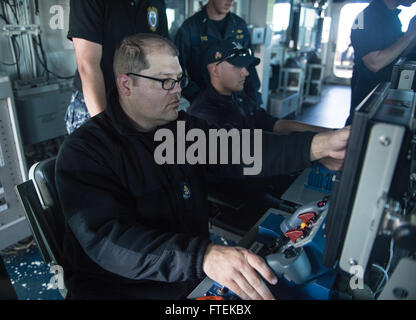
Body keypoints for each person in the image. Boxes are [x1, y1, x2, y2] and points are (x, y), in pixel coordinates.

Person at [55, 33, 350, 300]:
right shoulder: (86, 151)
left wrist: (317, 146)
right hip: (125, 291)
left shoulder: (179, 132)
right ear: (126, 83)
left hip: (188, 279)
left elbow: (241, 149)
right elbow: (111, 242)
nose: (178, 92)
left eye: (180, 80)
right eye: (165, 82)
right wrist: (203, 257)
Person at [188, 39, 332, 201]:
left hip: (260, 175)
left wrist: (330, 134)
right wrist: (316, 147)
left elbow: (277, 125)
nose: (246, 72)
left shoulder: (239, 97)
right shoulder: (204, 113)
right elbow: (245, 154)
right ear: (215, 70)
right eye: (238, 66)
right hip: (235, 194)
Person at [65, 0, 169, 134]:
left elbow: (162, 56)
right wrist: (105, 128)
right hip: (97, 106)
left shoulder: (156, 2)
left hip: (139, 107)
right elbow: (88, 65)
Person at [174, 0, 262, 105]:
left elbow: (249, 66)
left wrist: (253, 100)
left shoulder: (239, 26)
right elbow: (176, 71)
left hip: (237, 103)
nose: (230, 1)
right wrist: (198, 97)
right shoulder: (190, 29)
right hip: (205, 105)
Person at [347, 0, 416, 125]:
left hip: (387, 92)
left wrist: (411, 35)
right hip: (369, 96)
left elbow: (399, 53)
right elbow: (374, 63)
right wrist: (410, 34)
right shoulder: (366, 17)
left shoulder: (392, 18)